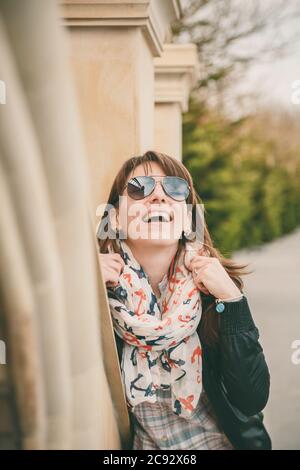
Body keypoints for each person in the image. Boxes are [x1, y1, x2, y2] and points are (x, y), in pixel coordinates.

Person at [97, 150, 271, 450]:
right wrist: (84, 286)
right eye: (140, 188)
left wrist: (233, 301)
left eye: (175, 189)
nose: (159, 197)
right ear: (115, 218)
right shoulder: (102, 294)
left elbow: (251, 397)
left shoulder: (213, 291)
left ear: (188, 217)